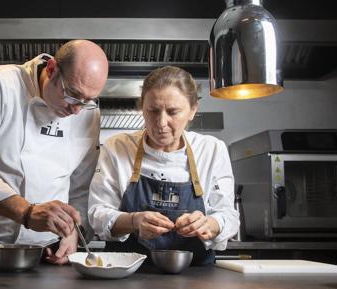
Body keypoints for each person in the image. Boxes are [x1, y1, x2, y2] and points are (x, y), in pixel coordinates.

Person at [0, 40, 109, 264]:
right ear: (51, 69)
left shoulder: (88, 113)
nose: (77, 109)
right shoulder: (0, 84)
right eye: (72, 94)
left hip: (45, 251)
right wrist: (25, 212)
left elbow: (81, 183)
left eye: (88, 100)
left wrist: (73, 232)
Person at [88, 66, 238, 266]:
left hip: (196, 279)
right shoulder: (118, 147)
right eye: (153, 110)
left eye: (173, 112)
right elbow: (97, 214)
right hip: (126, 274)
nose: (161, 122)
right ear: (142, 107)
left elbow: (228, 216)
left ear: (193, 110)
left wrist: (208, 224)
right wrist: (134, 221)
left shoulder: (211, 150)